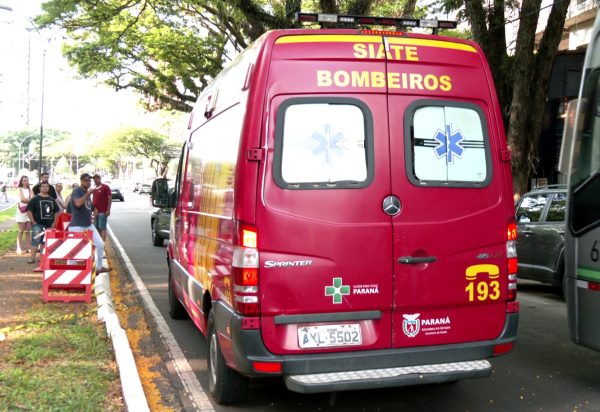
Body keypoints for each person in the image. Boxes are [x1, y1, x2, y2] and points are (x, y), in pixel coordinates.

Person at [68, 173, 110, 273]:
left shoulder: (87, 193)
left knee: (100, 244)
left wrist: (93, 217)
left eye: (89, 180)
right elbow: (78, 203)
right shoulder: (77, 191)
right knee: (75, 249)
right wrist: (88, 194)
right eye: (86, 180)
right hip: (77, 225)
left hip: (88, 224)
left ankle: (99, 268)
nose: (88, 182)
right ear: (81, 181)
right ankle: (71, 271)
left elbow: (93, 208)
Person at [26, 182, 60, 264]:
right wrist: (33, 222)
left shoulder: (52, 199)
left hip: (49, 225)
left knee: (44, 242)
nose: (45, 188)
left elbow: (56, 212)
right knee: (36, 240)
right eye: (43, 186)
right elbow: (29, 210)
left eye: (47, 186)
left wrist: (54, 222)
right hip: (38, 225)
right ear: (40, 188)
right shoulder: (35, 199)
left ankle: (42, 259)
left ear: (48, 188)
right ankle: (32, 258)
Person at [92, 173, 112, 241]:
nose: (96, 180)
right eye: (94, 178)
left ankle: (102, 243)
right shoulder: (94, 188)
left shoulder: (105, 187)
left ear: (100, 179)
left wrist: (108, 210)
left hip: (102, 211)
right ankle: (98, 241)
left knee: (102, 227)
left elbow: (109, 198)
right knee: (96, 227)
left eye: (97, 178)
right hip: (95, 212)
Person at [15, 175, 32, 255]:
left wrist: (28, 200)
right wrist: (30, 200)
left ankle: (28, 247)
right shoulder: (19, 189)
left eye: (27, 180)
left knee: (28, 230)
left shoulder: (29, 189)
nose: (26, 182)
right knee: (21, 230)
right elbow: (22, 199)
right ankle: (19, 247)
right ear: (21, 181)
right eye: (24, 180)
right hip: (22, 211)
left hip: (28, 211)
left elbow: (34, 197)